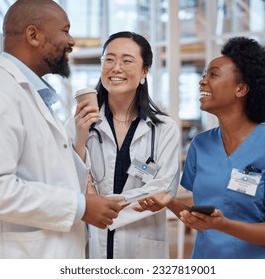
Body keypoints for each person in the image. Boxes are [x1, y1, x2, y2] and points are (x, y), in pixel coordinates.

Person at [0, 0, 123, 259]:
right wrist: (80, 206)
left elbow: (46, 174)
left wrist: (79, 146)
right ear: (33, 35)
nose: (72, 41)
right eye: (65, 30)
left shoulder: (31, 96)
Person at [136, 36, 265, 259]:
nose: (202, 81)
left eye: (213, 74)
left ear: (241, 89)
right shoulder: (201, 144)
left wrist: (223, 225)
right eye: (205, 74)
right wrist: (169, 202)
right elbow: (202, 219)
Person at [66, 31, 180, 259]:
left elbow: (162, 189)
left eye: (127, 60)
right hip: (91, 245)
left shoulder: (164, 129)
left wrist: (97, 204)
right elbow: (67, 183)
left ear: (144, 72)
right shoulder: (80, 124)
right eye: (109, 59)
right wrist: (80, 139)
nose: (116, 67)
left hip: (142, 247)